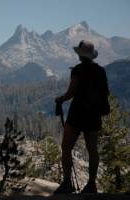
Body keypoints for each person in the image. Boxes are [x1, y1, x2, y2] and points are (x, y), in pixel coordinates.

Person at [54, 40, 109, 194]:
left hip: (77, 114)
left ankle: (67, 183)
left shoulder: (78, 70)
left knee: (66, 148)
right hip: (94, 115)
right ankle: (91, 184)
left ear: (79, 55)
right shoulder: (100, 71)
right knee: (92, 149)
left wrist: (61, 99)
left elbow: (71, 93)